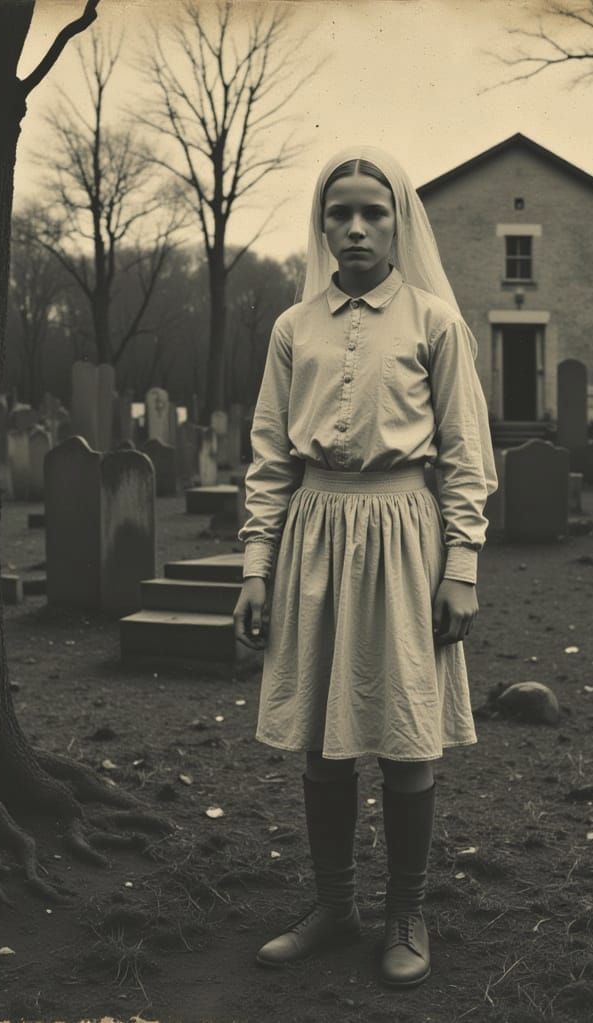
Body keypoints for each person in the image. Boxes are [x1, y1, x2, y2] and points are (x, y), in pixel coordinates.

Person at [233, 144, 498, 989]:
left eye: (371, 212)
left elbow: (464, 456)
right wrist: (255, 565)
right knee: (322, 738)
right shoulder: (293, 327)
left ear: (397, 221)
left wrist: (460, 565)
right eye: (338, 213)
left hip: (404, 537)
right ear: (321, 225)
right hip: (313, 535)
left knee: (405, 735)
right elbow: (269, 455)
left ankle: (405, 911)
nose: (354, 227)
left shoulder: (432, 321)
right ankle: (333, 904)